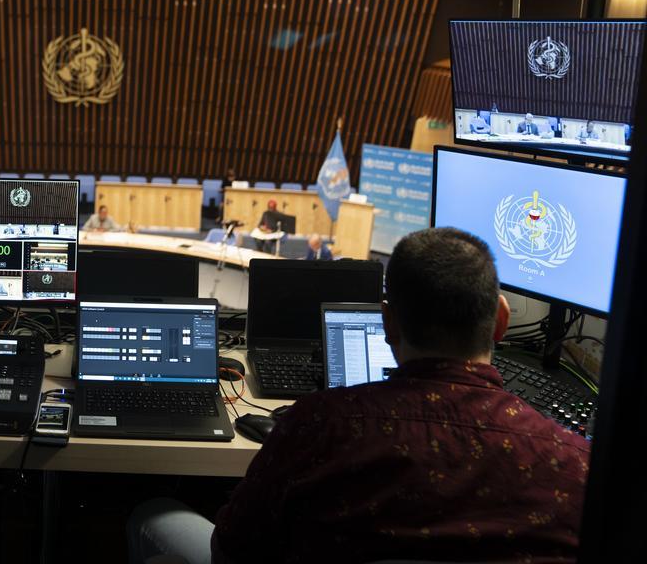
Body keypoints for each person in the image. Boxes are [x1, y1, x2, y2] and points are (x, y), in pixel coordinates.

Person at [126, 227, 589, 564]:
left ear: (386, 322)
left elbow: (231, 552)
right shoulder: (574, 463)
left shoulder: (319, 426)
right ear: (501, 321)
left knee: (154, 516)